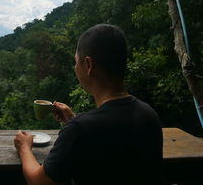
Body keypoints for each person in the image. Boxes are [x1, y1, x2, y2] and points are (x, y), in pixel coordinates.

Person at [14, 24, 163, 185]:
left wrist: (24, 148)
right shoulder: (149, 115)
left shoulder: (80, 130)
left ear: (88, 65)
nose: (75, 68)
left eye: (76, 62)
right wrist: (73, 119)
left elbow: (38, 181)